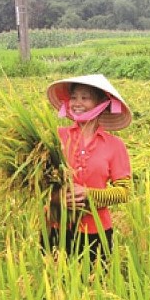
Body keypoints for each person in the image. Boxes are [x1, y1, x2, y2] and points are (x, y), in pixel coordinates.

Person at [45, 74, 132, 260]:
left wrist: (88, 195)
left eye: (85, 98)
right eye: (74, 97)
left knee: (94, 286)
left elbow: (124, 192)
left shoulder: (114, 145)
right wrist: (57, 197)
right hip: (56, 226)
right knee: (54, 284)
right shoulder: (56, 137)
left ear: (102, 103)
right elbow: (33, 182)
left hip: (96, 231)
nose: (77, 102)